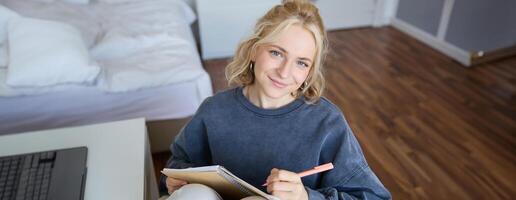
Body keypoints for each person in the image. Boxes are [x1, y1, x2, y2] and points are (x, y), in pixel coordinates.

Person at [159, 0, 391, 199]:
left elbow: (373, 196)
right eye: (276, 53)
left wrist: (306, 196)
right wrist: (175, 181)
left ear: (309, 73)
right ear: (254, 50)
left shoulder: (327, 123)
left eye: (301, 62)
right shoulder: (214, 111)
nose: (284, 72)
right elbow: (177, 164)